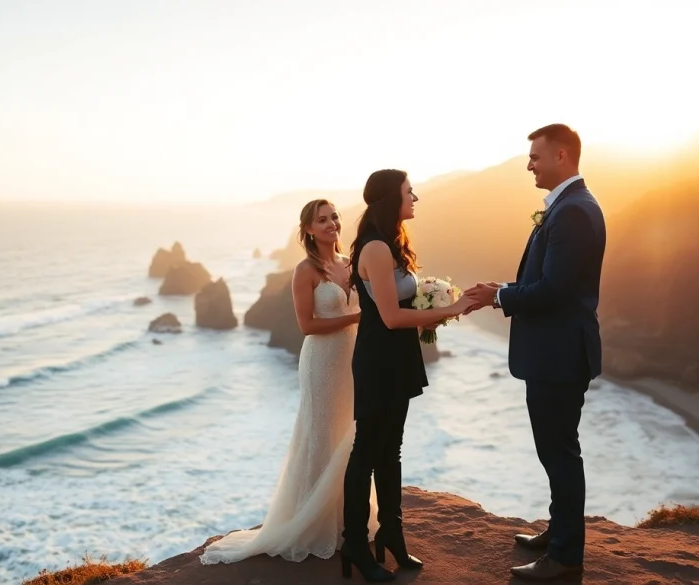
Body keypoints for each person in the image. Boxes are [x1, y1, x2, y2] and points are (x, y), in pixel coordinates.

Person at [199, 199, 378, 565]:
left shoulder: (348, 264)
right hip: (321, 362)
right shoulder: (305, 271)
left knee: (349, 435)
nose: (332, 224)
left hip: (351, 361)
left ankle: (349, 519)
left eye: (334, 217)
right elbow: (307, 326)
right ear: (308, 230)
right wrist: (358, 317)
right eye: (322, 220)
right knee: (320, 434)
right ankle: (313, 522)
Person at [465, 124, 606, 581]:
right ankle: (559, 532)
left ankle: (565, 557)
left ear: (562, 156)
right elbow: (548, 283)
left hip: (559, 356)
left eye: (535, 157)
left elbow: (554, 289)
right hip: (556, 353)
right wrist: (503, 288)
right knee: (555, 450)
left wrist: (499, 297)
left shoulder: (573, 213)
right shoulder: (569, 207)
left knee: (560, 453)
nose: (529, 164)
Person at [340, 169, 475, 581]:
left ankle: (393, 536)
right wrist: (451, 308)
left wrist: (440, 303)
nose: (414, 197)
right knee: (366, 450)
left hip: (397, 358)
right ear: (388, 199)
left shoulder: (392, 244)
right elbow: (392, 316)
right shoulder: (376, 249)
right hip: (379, 360)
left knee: (391, 449)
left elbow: (402, 305)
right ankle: (356, 545)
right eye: (407, 191)